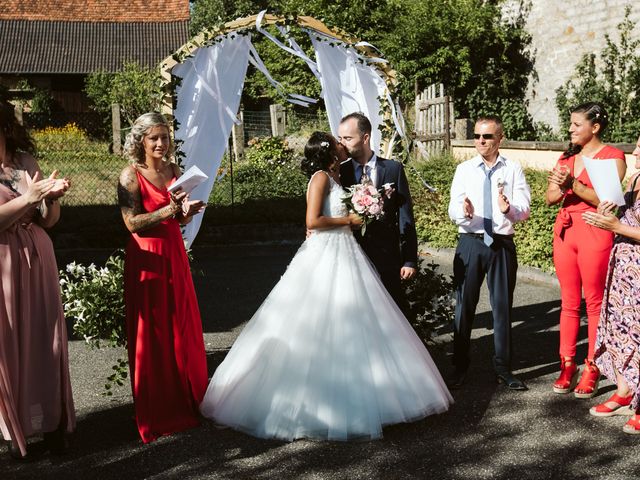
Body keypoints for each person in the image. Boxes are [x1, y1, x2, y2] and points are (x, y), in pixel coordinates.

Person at [199, 132, 452, 441]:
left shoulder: (336, 174)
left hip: (346, 252)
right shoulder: (320, 177)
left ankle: (371, 396)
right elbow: (312, 220)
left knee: (359, 319)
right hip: (326, 252)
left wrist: (362, 211)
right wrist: (350, 220)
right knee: (319, 317)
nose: (342, 145)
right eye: (337, 142)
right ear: (329, 152)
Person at [117, 112, 208, 443]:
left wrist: (185, 213)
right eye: (154, 137)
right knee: (152, 331)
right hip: (147, 258)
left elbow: (177, 219)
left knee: (179, 325)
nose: (160, 143)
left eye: (165, 137)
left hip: (173, 252)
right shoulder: (130, 176)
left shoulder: (174, 171)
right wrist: (170, 211)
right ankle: (157, 410)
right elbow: (131, 223)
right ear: (140, 140)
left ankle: (187, 398)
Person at [0, 100, 74, 459]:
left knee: (47, 338)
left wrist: (51, 200)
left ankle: (52, 422)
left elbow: (48, 220)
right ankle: (14, 429)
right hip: (3, 263)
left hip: (38, 256)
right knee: (9, 341)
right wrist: (29, 196)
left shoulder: (26, 163)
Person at [546, 102, 626, 398]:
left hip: (595, 229)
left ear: (595, 127)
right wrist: (561, 187)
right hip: (565, 232)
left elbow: (609, 201)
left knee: (594, 302)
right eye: (570, 124)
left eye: (576, 124)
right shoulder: (567, 157)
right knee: (568, 301)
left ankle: (592, 365)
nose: (570, 129)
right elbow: (550, 197)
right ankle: (567, 363)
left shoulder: (613, 157)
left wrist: (573, 186)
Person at [447, 115, 531, 390]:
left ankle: (503, 368)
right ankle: (460, 366)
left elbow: (525, 209)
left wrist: (509, 210)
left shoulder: (513, 169)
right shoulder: (464, 170)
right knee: (464, 306)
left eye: (488, 136)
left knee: (502, 308)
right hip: (471, 242)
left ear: (500, 139)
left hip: (501, 245)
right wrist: (464, 211)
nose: (481, 141)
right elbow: (452, 209)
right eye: (477, 136)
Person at [582, 134, 640, 434]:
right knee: (618, 328)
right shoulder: (634, 181)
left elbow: (630, 227)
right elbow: (625, 217)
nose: (636, 151)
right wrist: (608, 215)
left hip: (639, 270)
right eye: (638, 145)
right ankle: (624, 389)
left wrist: (617, 227)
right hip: (622, 267)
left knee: (639, 333)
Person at [337, 112, 418, 313]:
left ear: (365, 138)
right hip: (352, 256)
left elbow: (405, 217)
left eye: (347, 138)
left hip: (387, 257)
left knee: (393, 313)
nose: (341, 144)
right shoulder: (340, 172)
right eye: (340, 138)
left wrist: (409, 259)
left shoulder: (393, 169)